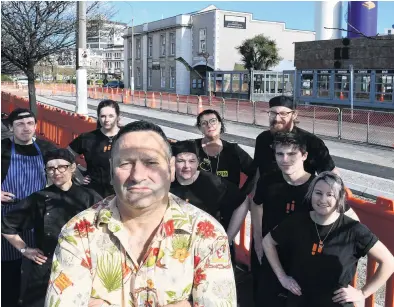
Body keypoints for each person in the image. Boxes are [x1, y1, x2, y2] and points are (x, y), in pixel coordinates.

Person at [45, 121, 237, 307]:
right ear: (112, 170)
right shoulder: (79, 232)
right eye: (125, 163)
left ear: (171, 169)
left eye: (151, 162)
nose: (137, 176)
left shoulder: (206, 234)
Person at [251, 133, 359, 306]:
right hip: (273, 257)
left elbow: (353, 222)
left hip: (306, 266)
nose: (285, 159)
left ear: (304, 155)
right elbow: (256, 205)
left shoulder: (320, 187)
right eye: (280, 154)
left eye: (292, 154)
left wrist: (357, 289)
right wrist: (257, 239)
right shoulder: (267, 181)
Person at [262, 172, 394, 307]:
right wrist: (282, 277)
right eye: (318, 193)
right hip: (299, 301)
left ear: (339, 198)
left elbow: (389, 262)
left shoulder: (353, 229)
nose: (323, 200)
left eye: (330, 194)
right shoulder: (297, 221)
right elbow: (268, 242)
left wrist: (362, 293)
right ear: (311, 194)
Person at [2, 148, 102, 307]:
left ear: (73, 167)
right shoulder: (39, 198)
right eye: (50, 168)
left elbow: (105, 230)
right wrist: (24, 249)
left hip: (81, 267)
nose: (56, 172)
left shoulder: (91, 197)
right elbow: (6, 224)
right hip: (46, 267)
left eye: (62, 167)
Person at [1, 108, 56, 307]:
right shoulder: (3, 149)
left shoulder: (45, 148)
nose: (26, 128)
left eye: (30, 124)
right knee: (9, 275)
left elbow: (67, 167)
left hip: (37, 219)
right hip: (8, 221)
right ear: (10, 127)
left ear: (35, 126)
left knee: (38, 271)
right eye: (20, 124)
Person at [170, 140, 249, 235]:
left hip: (206, 242)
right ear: (173, 162)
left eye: (192, 161)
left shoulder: (213, 183)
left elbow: (242, 201)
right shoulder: (165, 181)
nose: (187, 166)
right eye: (181, 161)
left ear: (198, 162)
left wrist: (227, 239)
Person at [253, 95, 338, 179]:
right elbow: (257, 172)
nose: (277, 118)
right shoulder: (262, 139)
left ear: (294, 115)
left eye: (283, 114)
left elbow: (331, 175)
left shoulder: (312, 142)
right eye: (273, 113)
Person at [194, 109, 256, 195]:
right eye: (204, 123)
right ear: (200, 128)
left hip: (228, 203)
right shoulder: (192, 147)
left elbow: (255, 171)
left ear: (220, 124)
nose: (209, 125)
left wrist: (242, 194)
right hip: (199, 204)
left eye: (213, 121)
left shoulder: (234, 150)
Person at [68, 99, 121, 198]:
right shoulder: (88, 138)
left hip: (121, 193)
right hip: (94, 193)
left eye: (111, 116)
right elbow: (65, 155)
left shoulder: (127, 136)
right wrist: (76, 174)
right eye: (103, 116)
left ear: (118, 117)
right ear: (98, 117)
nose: (106, 120)